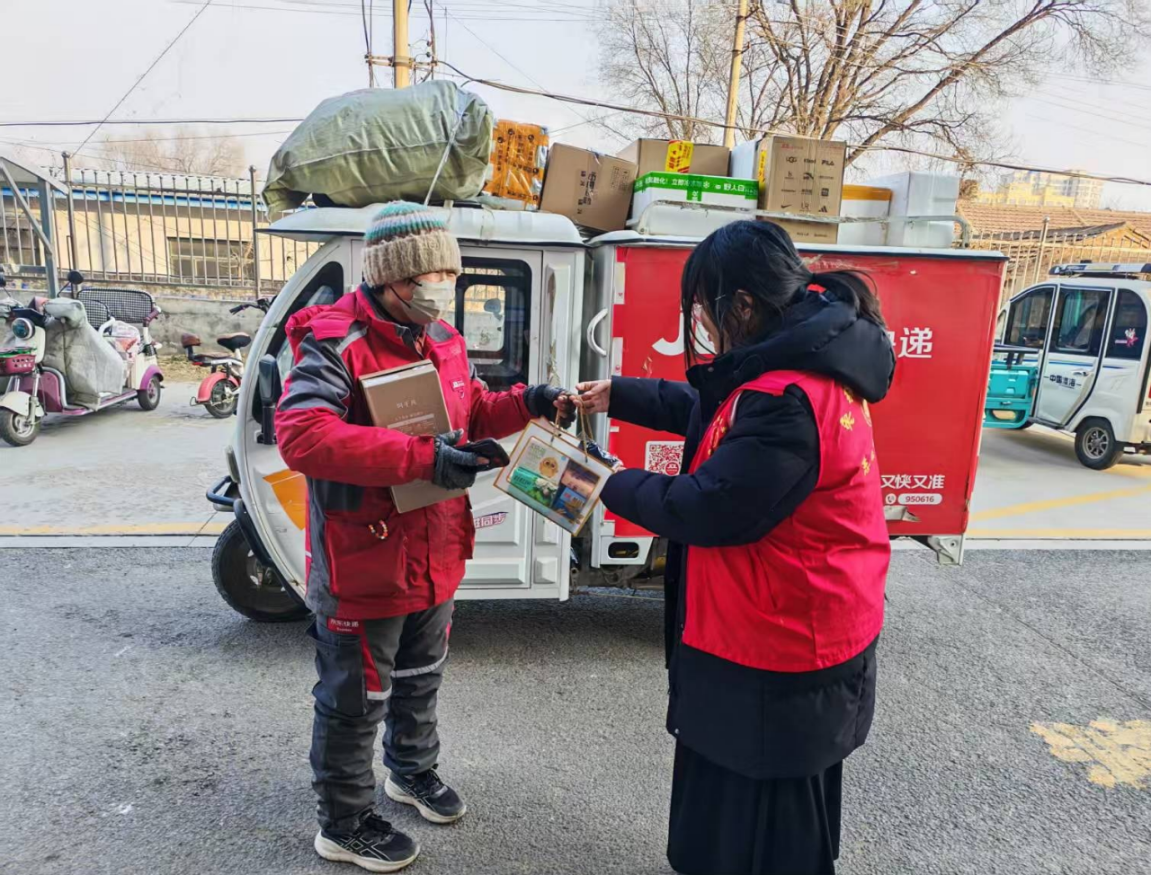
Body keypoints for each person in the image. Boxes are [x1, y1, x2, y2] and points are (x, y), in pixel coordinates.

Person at [574, 220, 894, 875]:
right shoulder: (802, 356)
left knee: (765, 831)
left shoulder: (789, 398)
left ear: (741, 305)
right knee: (749, 812)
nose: (702, 323)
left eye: (705, 308)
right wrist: (618, 394)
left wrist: (602, 481)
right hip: (787, 623)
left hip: (779, 643)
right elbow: (712, 408)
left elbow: (707, 506)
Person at [275, 201, 573, 873]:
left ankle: (410, 771)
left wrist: (527, 401)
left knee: (420, 677)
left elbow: (469, 411)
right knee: (355, 699)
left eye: (449, 272)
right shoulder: (334, 340)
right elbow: (303, 434)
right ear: (391, 277)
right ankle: (344, 822)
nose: (444, 284)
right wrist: (421, 459)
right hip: (363, 558)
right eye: (430, 273)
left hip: (434, 549)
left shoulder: (442, 338)